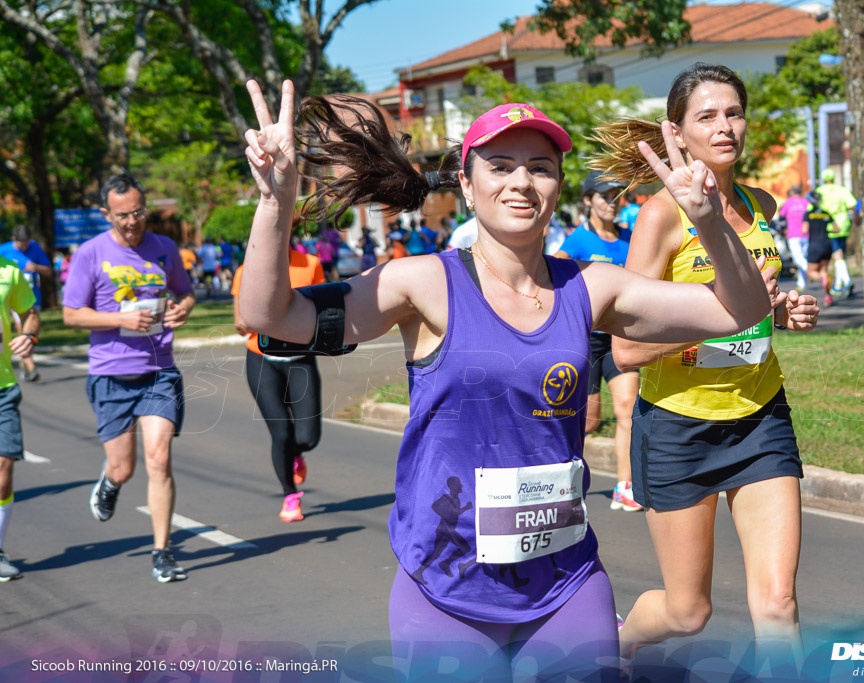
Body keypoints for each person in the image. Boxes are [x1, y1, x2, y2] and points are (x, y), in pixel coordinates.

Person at [239, 80, 776, 679]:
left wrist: (707, 219)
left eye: (540, 168)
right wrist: (274, 202)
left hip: (565, 581)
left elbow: (741, 311)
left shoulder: (591, 286)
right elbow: (272, 317)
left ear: (556, 188)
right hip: (447, 588)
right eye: (500, 166)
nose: (521, 182)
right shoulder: (422, 283)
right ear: (467, 186)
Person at [592, 63, 820, 672]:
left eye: (735, 112)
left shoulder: (759, 203)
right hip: (676, 427)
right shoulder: (662, 216)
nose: (725, 127)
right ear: (678, 133)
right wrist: (721, 317)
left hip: (759, 418)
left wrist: (783, 310)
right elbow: (626, 349)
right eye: (708, 116)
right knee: (688, 612)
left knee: (778, 602)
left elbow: (755, 311)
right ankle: (615, 645)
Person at [62, 173, 196, 583]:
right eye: (123, 215)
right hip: (111, 373)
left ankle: (162, 552)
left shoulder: (164, 248)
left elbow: (184, 291)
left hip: (159, 370)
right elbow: (71, 313)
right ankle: (109, 481)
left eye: (138, 212)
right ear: (107, 214)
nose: (133, 221)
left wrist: (183, 309)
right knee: (125, 469)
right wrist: (119, 318)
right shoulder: (90, 253)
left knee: (160, 459)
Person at [555, 170, 641, 512]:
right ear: (589, 200)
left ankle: (625, 487)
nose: (613, 202)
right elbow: (552, 284)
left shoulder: (631, 238)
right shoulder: (576, 242)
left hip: (621, 338)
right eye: (606, 196)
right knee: (588, 420)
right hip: (586, 341)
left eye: (619, 195)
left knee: (628, 411)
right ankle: (564, 485)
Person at [232, 249, 324, 522]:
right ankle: (290, 494)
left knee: (307, 437)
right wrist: (253, 320)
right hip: (262, 361)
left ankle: (295, 454)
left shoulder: (310, 265)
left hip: (301, 360)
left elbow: (323, 308)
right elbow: (240, 321)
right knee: (281, 432)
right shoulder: (247, 270)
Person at [0, 254, 42, 582]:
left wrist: (28, 336)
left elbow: (29, 313)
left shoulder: (9, 271)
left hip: (3, 387)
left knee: (3, 468)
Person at [0, 226, 52, 382]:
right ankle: (30, 365)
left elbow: (48, 271)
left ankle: (25, 361)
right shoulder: (3, 250)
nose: (24, 247)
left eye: (26, 243)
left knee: (28, 329)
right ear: (13, 239)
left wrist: (35, 267)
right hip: (7, 297)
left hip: (29, 295)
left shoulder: (35, 248)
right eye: (21, 244)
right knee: (19, 326)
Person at [817, 168, 858, 298]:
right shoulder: (842, 189)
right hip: (844, 224)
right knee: (841, 255)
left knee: (837, 255)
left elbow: (812, 207)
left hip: (829, 225)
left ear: (823, 179)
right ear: (833, 178)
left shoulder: (819, 191)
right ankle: (838, 285)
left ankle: (847, 281)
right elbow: (853, 204)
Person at [803, 191, 836, 305]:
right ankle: (828, 297)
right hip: (827, 244)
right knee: (823, 271)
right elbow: (836, 229)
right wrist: (827, 230)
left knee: (811, 272)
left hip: (815, 245)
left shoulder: (808, 214)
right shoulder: (826, 213)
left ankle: (824, 280)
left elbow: (804, 230)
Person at [777, 184, 809, 290]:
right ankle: (801, 282)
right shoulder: (806, 202)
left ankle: (812, 272)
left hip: (793, 234)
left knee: (797, 258)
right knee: (802, 257)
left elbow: (781, 216)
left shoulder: (787, 203)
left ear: (791, 193)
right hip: (806, 234)